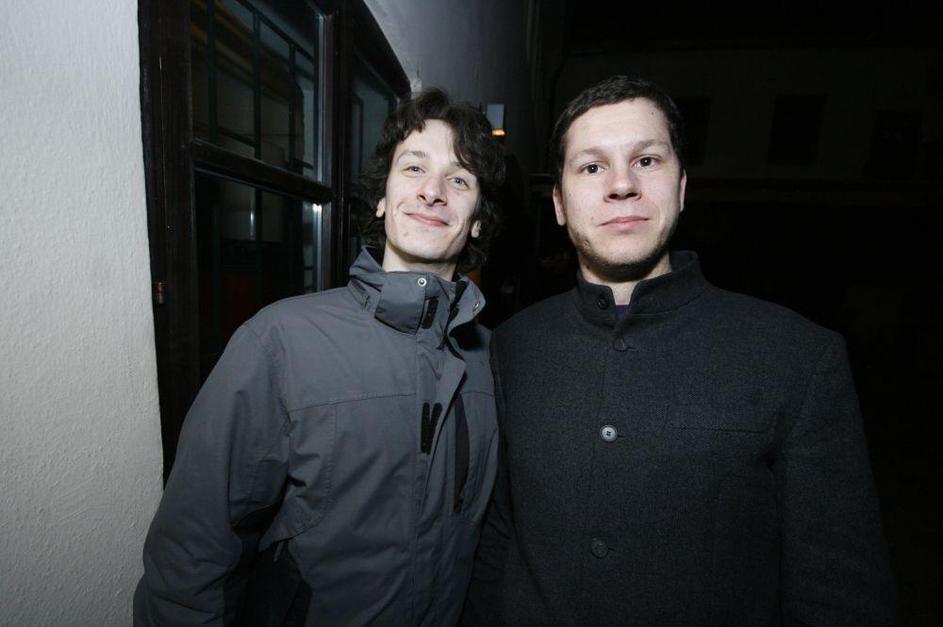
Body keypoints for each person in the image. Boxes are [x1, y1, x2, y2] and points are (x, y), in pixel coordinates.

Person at [463, 75, 897, 625]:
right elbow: (499, 535)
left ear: (683, 186)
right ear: (559, 203)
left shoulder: (797, 357)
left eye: (646, 161)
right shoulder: (512, 345)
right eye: (592, 167)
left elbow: (840, 595)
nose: (622, 184)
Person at [135, 88, 505, 626]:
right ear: (381, 199)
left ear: (476, 220)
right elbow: (192, 549)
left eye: (460, 179)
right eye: (413, 168)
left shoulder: (492, 359)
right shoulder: (280, 341)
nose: (432, 192)